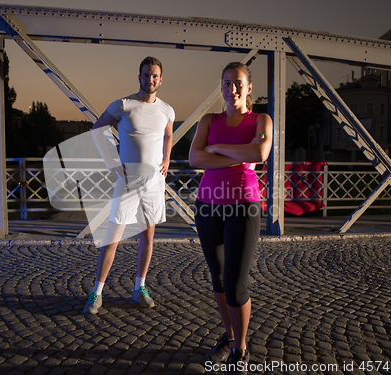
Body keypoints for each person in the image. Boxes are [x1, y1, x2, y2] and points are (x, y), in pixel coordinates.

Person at [189, 62, 273, 372]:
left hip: (243, 206)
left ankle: (241, 347)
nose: (232, 88)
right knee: (219, 278)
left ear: (249, 88)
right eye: (226, 82)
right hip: (207, 206)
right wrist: (239, 152)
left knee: (237, 285)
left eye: (238, 83)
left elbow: (260, 155)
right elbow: (195, 158)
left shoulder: (261, 120)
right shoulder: (208, 120)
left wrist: (217, 148)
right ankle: (230, 335)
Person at [83, 56, 175, 315]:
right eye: (146, 75)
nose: (151, 79)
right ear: (139, 77)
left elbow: (168, 135)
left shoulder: (167, 110)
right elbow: (97, 129)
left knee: (148, 236)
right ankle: (97, 293)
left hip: (155, 182)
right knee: (113, 237)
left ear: (160, 78)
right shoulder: (123, 105)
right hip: (128, 180)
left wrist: (167, 158)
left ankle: (140, 288)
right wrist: (111, 160)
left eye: (155, 75)